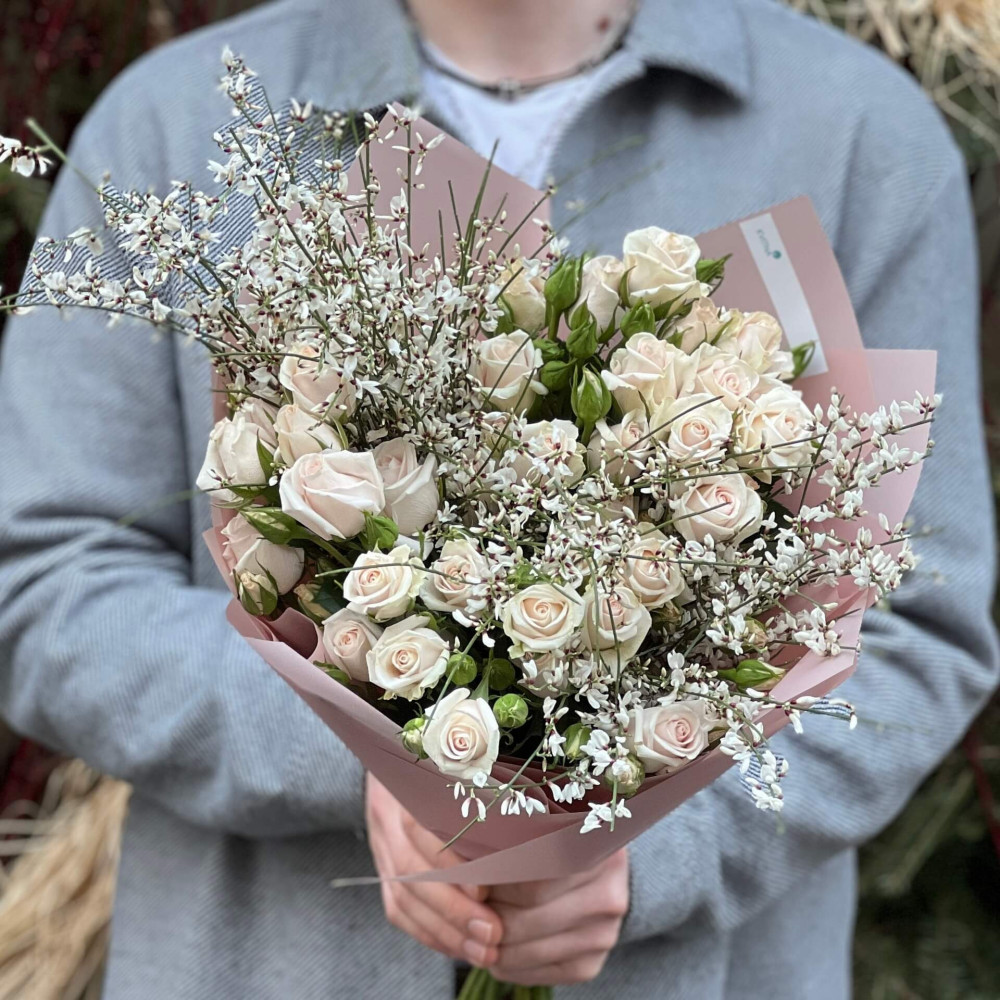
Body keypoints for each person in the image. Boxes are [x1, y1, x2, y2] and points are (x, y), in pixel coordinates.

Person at [0, 0, 996, 997]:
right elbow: (43, 584)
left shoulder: (853, 131)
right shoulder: (178, 122)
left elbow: (913, 629)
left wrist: (648, 844)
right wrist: (380, 747)